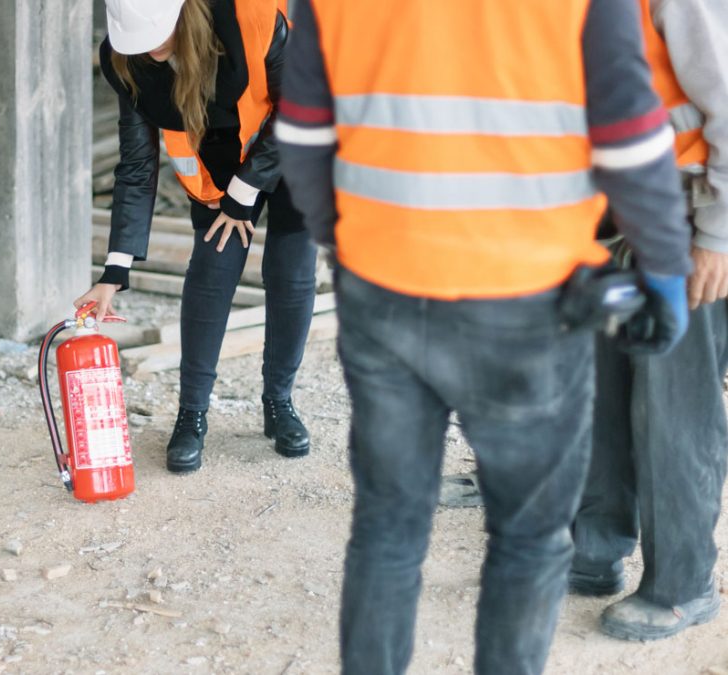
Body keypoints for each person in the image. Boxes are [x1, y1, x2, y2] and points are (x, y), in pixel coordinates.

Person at [277, 0, 693, 673]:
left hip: (383, 287)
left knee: (387, 528)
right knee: (529, 537)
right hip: (527, 300)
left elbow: (300, 137)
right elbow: (633, 143)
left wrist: (344, 243)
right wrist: (666, 269)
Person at [77, 0, 318, 474]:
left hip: (287, 151)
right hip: (217, 161)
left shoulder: (253, 21)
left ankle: (279, 403)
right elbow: (136, 165)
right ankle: (191, 414)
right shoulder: (127, 62)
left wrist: (244, 192)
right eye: (140, 46)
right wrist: (115, 270)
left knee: (291, 277)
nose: (152, 52)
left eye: (158, 38)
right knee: (211, 276)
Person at [570, 0, 728, 642]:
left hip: (685, 222)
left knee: (672, 410)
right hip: (606, 221)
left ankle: (682, 584)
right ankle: (594, 548)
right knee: (598, 396)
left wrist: (717, 235)